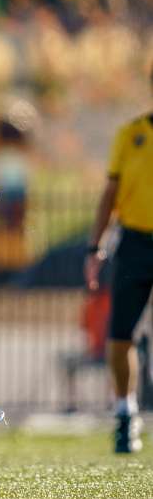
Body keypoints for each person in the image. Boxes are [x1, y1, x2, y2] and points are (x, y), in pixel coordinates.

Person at [84, 64, 153, 454]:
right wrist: (95, 247)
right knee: (120, 334)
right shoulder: (132, 135)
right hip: (135, 243)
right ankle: (126, 412)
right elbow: (110, 194)